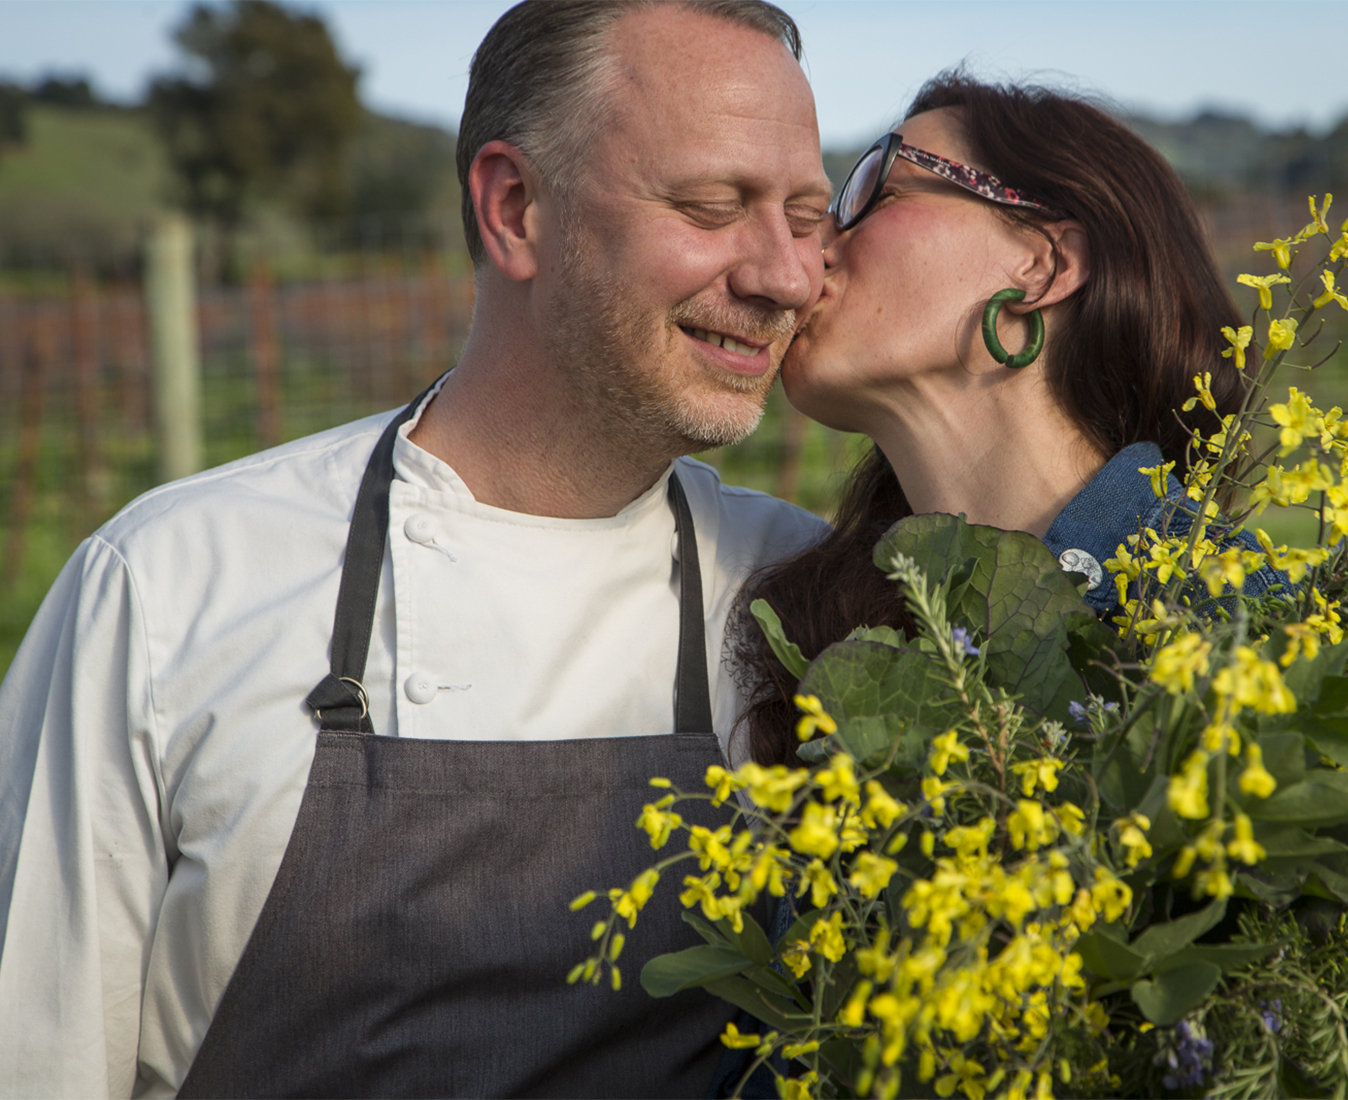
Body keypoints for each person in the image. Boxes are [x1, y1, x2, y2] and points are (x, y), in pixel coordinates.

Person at [0, 2, 831, 1096]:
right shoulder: (169, 589)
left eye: (810, 217)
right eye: (713, 205)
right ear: (516, 208)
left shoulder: (807, 605)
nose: (787, 276)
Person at [737, 74, 1281, 767]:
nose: (809, 251)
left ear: (1039, 267)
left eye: (877, 186)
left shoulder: (1231, 619)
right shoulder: (803, 625)